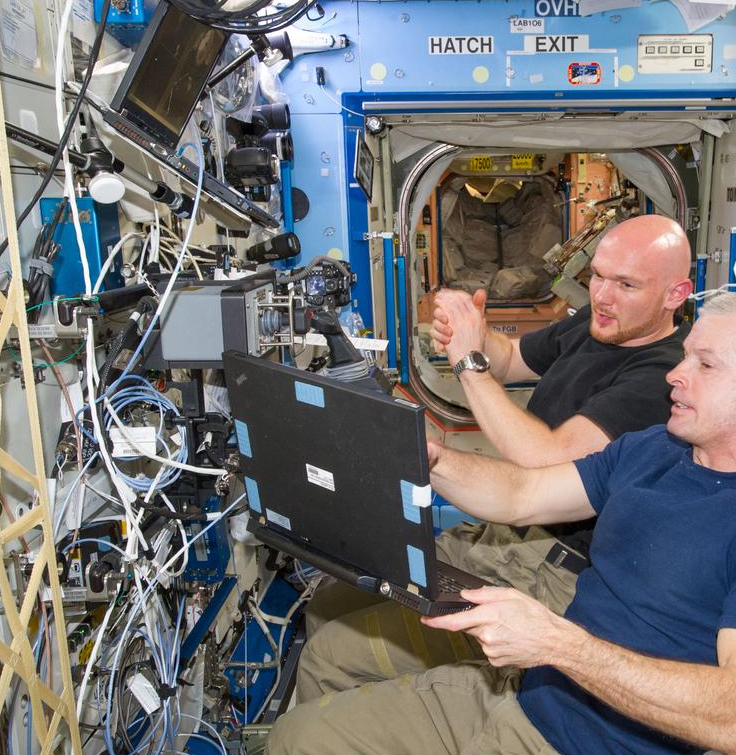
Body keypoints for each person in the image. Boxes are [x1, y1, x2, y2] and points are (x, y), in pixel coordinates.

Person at [264, 292, 736, 755]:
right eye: (685, 356)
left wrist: (556, 644)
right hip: (516, 700)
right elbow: (521, 494)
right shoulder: (657, 451)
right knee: (294, 752)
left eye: (705, 364)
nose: (675, 374)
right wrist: (432, 460)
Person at [294, 214, 693, 701]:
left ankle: (340, 747)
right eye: (599, 276)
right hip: (502, 533)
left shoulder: (663, 377)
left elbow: (544, 463)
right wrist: (475, 334)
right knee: (329, 602)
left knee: (330, 656)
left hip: (548, 567)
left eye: (626, 284)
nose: (603, 296)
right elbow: (509, 358)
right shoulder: (600, 326)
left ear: (676, 294)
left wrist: (467, 362)